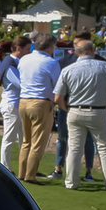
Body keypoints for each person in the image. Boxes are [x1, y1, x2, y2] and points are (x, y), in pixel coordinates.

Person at [54, 39, 106, 191]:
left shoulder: (68, 69)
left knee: (74, 148)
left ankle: (71, 182)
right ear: (93, 51)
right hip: (98, 110)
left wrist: (67, 108)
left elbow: (57, 97)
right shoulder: (105, 67)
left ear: (77, 53)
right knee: (105, 148)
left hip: (75, 110)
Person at [16, 35, 61, 182]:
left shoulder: (24, 59)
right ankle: (30, 175)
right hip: (41, 102)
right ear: (49, 47)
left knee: (26, 141)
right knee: (37, 142)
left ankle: (22, 173)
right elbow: (58, 85)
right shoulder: (51, 62)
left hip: (23, 101)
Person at [53, 31, 95, 179]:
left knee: (88, 141)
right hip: (68, 104)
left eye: (79, 44)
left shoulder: (99, 62)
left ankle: (89, 170)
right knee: (63, 137)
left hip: (89, 105)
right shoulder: (65, 61)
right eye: (75, 44)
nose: (76, 47)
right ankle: (58, 168)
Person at [0, 37, 30, 167]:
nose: (29, 52)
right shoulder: (10, 64)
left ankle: (25, 168)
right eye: (27, 49)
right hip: (11, 105)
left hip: (17, 105)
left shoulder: (13, 63)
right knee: (9, 138)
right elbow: (20, 84)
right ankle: (4, 167)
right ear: (18, 49)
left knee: (24, 139)